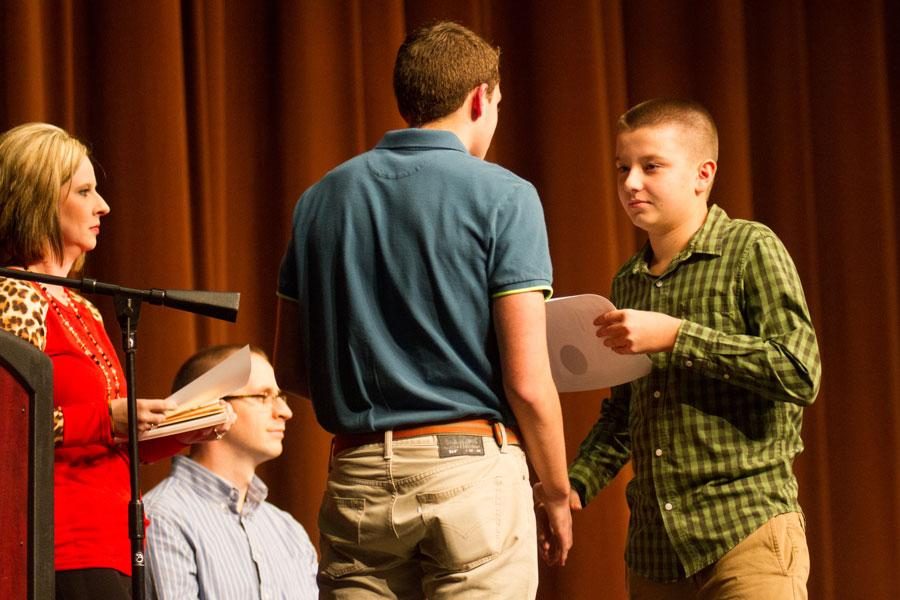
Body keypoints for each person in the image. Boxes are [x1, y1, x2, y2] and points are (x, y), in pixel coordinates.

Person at [274, 21, 571, 599]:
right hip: (471, 474)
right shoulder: (506, 196)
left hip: (356, 477)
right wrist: (555, 493)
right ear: (481, 97)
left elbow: (292, 370)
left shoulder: (319, 200)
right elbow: (529, 383)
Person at [567, 98, 821, 599]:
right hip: (655, 552)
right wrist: (574, 486)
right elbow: (624, 415)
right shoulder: (628, 282)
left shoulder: (750, 248)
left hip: (746, 530)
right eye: (623, 168)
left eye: (651, 166)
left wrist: (679, 336)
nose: (631, 182)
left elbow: (799, 371)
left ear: (703, 175)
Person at [0, 122, 232, 599]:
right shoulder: (11, 297)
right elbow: (10, 429)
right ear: (38, 201)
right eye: (84, 191)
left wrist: (180, 429)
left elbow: (109, 441)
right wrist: (108, 419)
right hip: (60, 545)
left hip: (120, 543)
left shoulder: (83, 307)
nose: (102, 205)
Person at [143, 344, 318, 599]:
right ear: (208, 407)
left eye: (280, 396)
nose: (285, 412)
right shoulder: (163, 518)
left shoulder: (288, 531)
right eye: (262, 396)